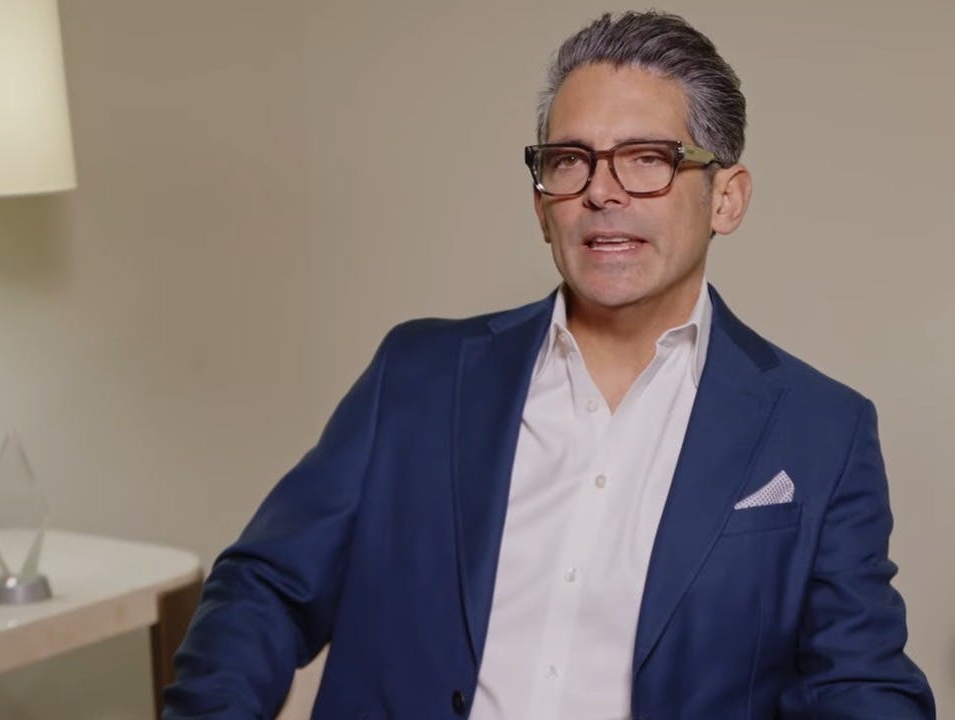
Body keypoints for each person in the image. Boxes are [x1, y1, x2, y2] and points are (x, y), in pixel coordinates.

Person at [163, 11, 935, 720]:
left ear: (726, 199)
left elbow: (860, 685)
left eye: (646, 160)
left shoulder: (821, 430)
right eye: (570, 162)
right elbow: (265, 586)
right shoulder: (418, 375)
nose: (601, 192)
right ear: (542, 205)